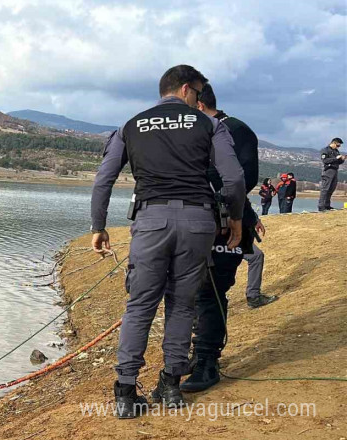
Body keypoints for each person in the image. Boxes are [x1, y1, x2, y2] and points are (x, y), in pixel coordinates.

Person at [90, 65, 245, 418]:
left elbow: (103, 181)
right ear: (186, 89)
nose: (200, 99)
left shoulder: (131, 125)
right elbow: (233, 176)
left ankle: (126, 393)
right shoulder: (210, 124)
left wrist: (99, 226)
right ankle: (172, 386)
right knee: (182, 304)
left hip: (151, 221)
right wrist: (235, 218)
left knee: (141, 304)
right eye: (199, 93)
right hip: (197, 222)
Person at [180, 83, 271, 393]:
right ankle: (195, 355)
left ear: (199, 103)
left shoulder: (237, 130)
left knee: (211, 291)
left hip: (227, 225)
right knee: (191, 293)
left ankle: (207, 361)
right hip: (193, 224)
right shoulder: (195, 133)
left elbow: (243, 179)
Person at [318, 137, 345, 211]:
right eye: (338, 145)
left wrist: (342, 159)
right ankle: (321, 206)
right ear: (333, 143)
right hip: (328, 170)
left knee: (331, 189)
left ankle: (327, 205)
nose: (338, 147)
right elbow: (325, 160)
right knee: (325, 189)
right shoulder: (325, 150)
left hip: (335, 170)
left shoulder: (336, 151)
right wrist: (336, 158)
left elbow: (338, 162)